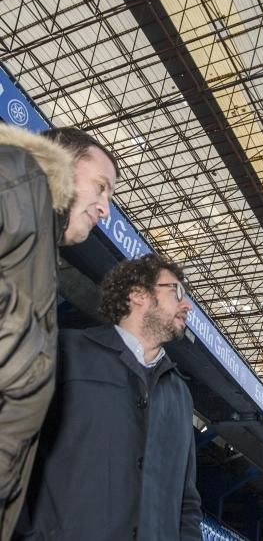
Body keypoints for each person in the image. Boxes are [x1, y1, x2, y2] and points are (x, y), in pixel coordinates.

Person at [18, 253, 202, 541]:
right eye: (176, 291)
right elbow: (15, 447)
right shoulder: (66, 352)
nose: (186, 304)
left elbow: (187, 502)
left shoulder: (181, 395)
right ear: (138, 295)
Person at [0, 124, 118, 540]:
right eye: (101, 187)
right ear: (64, 162)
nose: (105, 208)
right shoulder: (17, 179)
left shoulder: (39, 245)